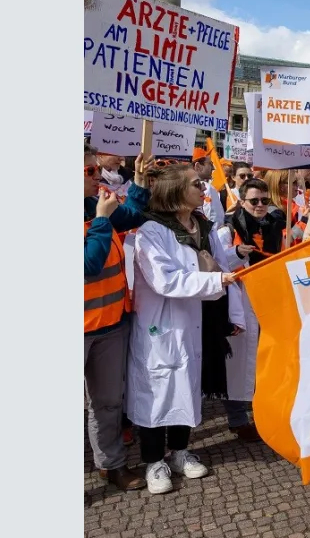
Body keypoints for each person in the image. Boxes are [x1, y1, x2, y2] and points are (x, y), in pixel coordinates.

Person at [126, 164, 245, 495]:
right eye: (195, 184)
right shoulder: (151, 231)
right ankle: (153, 461)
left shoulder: (203, 226)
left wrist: (231, 262)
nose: (203, 189)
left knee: (186, 389)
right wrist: (214, 277)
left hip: (194, 320)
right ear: (175, 192)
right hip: (160, 327)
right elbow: (165, 280)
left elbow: (219, 264)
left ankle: (179, 453)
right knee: (156, 392)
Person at [84, 145, 149, 491]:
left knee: (108, 402)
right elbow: (87, 266)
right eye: (89, 172)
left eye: (96, 170)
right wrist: (101, 220)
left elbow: (135, 216)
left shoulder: (95, 207)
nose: (98, 178)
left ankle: (111, 465)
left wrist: (138, 178)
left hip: (109, 326)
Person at [218, 178, 286, 443]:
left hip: (266, 298)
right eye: (254, 201)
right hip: (240, 300)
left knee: (261, 360)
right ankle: (237, 419)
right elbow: (216, 261)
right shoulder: (227, 227)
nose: (260, 206)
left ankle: (261, 413)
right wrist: (236, 252)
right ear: (242, 201)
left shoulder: (275, 224)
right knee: (236, 362)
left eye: (264, 201)